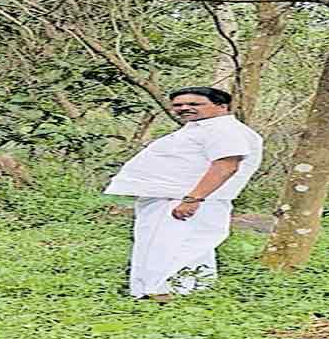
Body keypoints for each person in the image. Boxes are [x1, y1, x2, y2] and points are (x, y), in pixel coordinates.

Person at [104, 87, 263, 300]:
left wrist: (193, 199)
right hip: (175, 198)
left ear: (221, 106)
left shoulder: (224, 130)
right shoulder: (201, 128)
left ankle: (161, 295)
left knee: (170, 248)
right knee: (173, 247)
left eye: (194, 104)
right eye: (178, 105)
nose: (184, 108)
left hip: (187, 201)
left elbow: (226, 165)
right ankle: (179, 294)